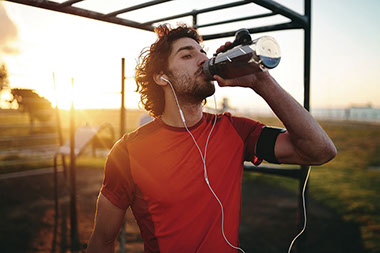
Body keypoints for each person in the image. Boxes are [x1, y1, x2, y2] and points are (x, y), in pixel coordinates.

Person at [87, 24, 336, 252]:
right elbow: (102, 240)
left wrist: (262, 80)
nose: (203, 60)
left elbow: (320, 150)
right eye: (187, 55)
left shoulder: (235, 130)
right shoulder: (128, 151)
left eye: (202, 53)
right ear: (162, 77)